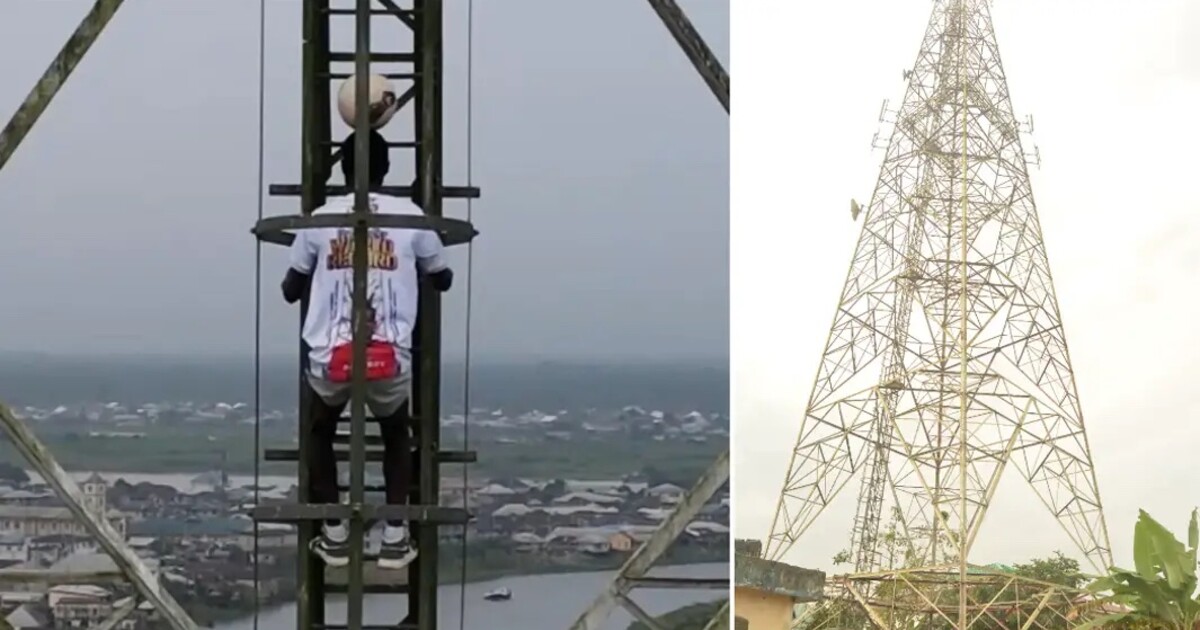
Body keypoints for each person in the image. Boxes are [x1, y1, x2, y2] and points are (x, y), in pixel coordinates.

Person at [280, 129, 453, 570]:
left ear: (340, 168)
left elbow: (290, 288)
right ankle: (395, 534)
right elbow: (443, 278)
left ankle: (335, 533)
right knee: (397, 434)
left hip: (330, 353)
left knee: (319, 431)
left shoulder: (319, 218)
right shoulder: (412, 216)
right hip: (388, 351)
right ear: (386, 168)